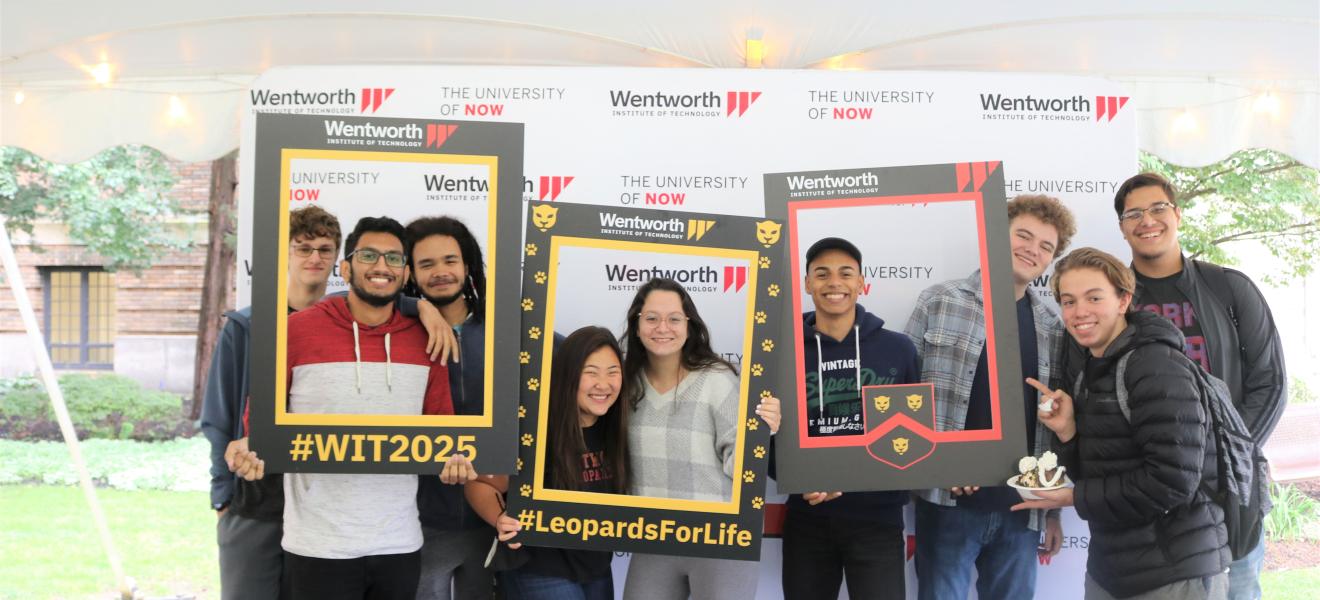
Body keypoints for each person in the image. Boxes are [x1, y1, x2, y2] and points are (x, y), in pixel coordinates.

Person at [230, 216, 461, 600]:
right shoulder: (294, 331)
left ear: (405, 274)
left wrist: (455, 461)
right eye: (368, 255)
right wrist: (246, 451)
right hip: (317, 545)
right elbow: (261, 430)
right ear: (346, 267)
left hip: (398, 543)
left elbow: (444, 431)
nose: (382, 267)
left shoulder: (429, 339)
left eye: (394, 258)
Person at [1015, 247, 1230, 600]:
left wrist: (1072, 497)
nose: (1079, 312)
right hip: (1112, 571)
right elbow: (1102, 469)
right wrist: (1068, 432)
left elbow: (1172, 482)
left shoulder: (1155, 365)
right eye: (1068, 301)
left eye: (1094, 297)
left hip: (1173, 574)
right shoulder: (1092, 368)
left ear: (1123, 300)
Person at [1111, 172, 1286, 600]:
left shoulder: (1229, 287)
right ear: (1122, 227)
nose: (1146, 220)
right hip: (1152, 498)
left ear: (1177, 214)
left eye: (1157, 208)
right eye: (1133, 213)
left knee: (1238, 589)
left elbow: (1271, 384)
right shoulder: (1111, 302)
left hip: (1230, 496)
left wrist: (1224, 463)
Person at [904, 196, 1075, 599]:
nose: (1033, 250)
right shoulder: (939, 302)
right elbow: (903, 396)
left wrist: (1050, 512)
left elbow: (1053, 426)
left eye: (1046, 247)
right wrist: (938, 466)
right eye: (1024, 236)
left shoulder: (1053, 327)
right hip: (946, 502)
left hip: (1022, 508)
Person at [201, 204, 341, 600]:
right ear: (284, 253)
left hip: (325, 509)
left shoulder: (348, 328)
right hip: (256, 504)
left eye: (325, 249)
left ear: (336, 258)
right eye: (303, 247)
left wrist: (418, 306)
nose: (315, 257)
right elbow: (219, 418)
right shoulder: (246, 329)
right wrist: (222, 497)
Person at [618, 278, 780, 600]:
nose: (662, 327)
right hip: (653, 538)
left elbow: (742, 465)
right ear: (636, 326)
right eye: (651, 318)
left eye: (674, 318)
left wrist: (763, 431)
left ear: (689, 325)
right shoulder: (624, 384)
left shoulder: (717, 380)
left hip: (719, 538)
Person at [783, 237, 919, 600]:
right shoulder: (783, 350)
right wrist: (794, 478)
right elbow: (764, 433)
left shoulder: (898, 348)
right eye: (822, 273)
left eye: (846, 273)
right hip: (808, 516)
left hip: (878, 517)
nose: (834, 283)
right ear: (807, 283)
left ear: (862, 283)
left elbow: (915, 432)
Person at [465, 326, 630, 600]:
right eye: (591, 372)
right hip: (537, 566)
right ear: (568, 375)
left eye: (613, 372)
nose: (604, 384)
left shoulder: (617, 427)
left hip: (596, 566)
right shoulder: (535, 427)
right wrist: (499, 518)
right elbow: (480, 482)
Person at [404, 216, 497, 599]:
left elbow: (576, 360)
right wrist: (414, 307)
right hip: (421, 524)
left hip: (491, 521)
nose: (440, 272)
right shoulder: (397, 332)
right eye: (426, 264)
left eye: (449, 261)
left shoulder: (504, 330)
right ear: (410, 272)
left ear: (467, 265)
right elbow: (343, 302)